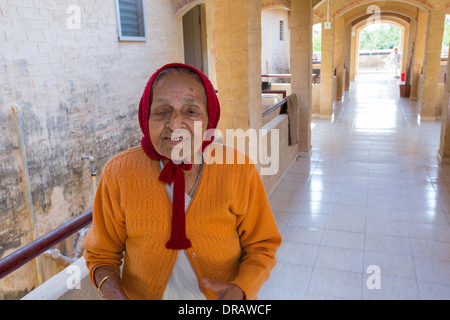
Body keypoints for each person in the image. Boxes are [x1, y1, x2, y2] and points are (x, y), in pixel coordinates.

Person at [83, 63, 282, 300]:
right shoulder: (119, 174)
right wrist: (116, 295)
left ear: (210, 119)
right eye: (162, 111)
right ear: (145, 117)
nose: (175, 124)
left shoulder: (239, 170)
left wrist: (240, 289)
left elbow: (263, 246)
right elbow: (101, 256)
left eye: (191, 111)